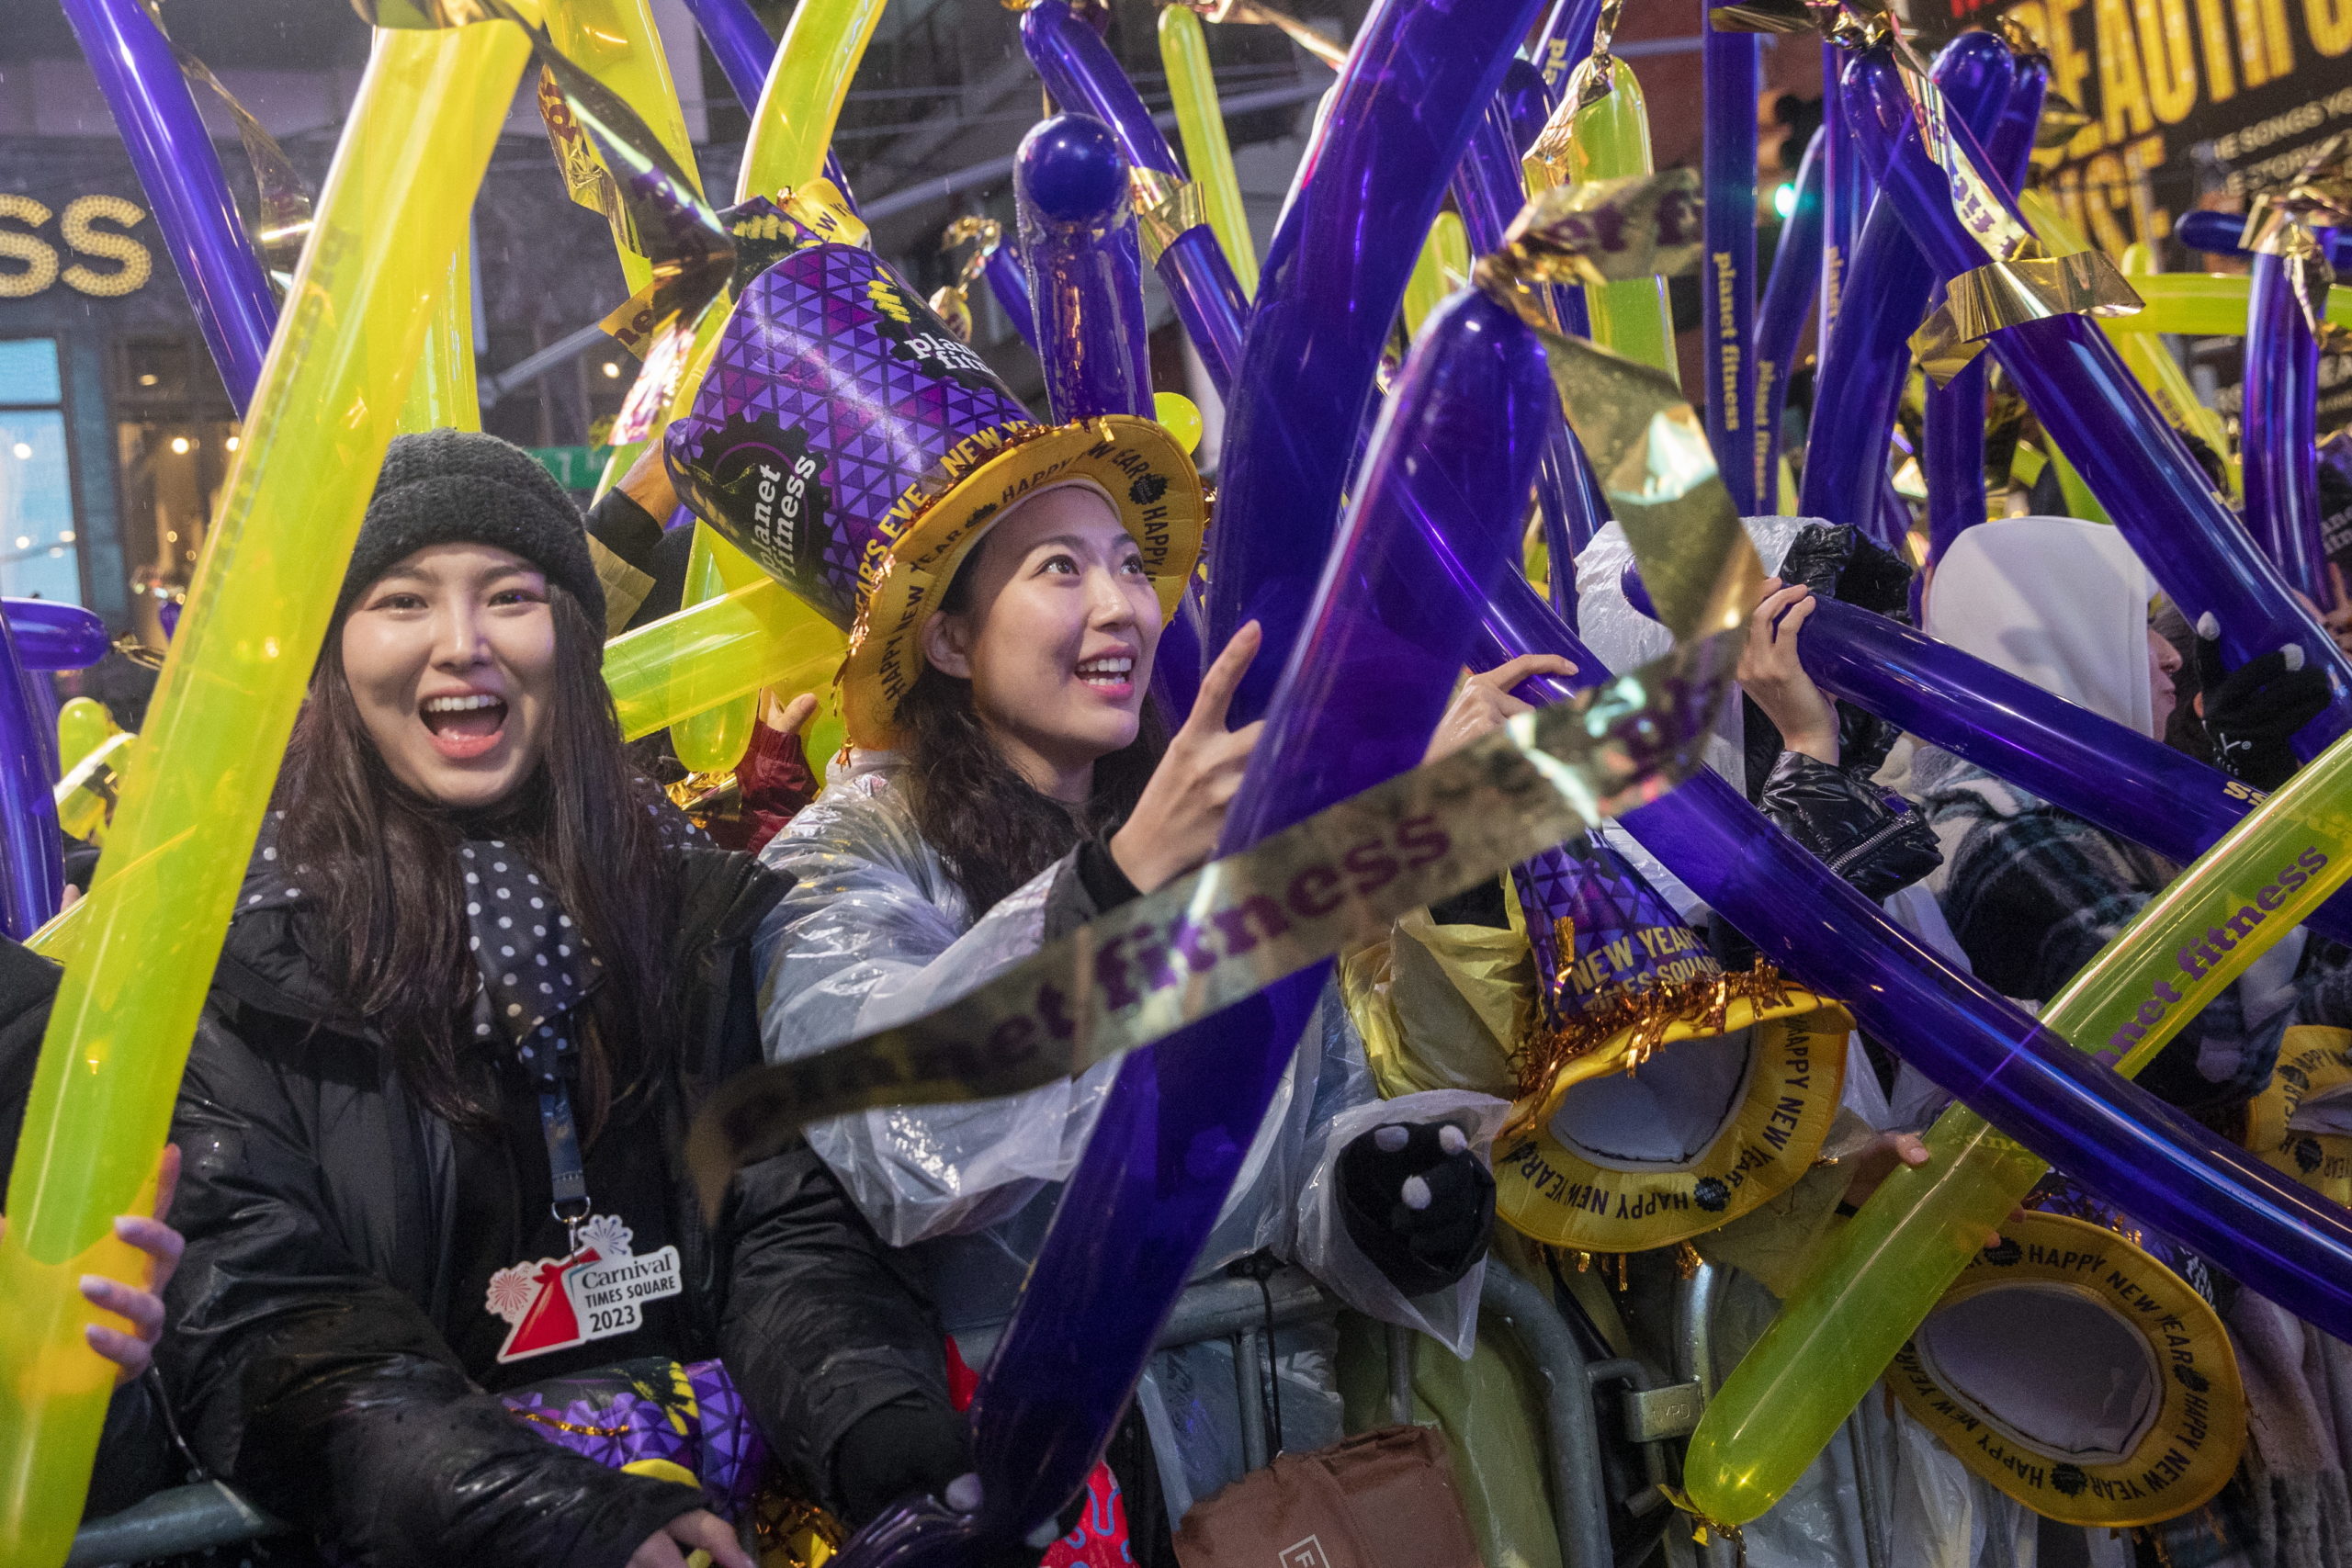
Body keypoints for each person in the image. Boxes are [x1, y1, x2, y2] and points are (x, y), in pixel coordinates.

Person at [160, 431, 967, 1568]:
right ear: (334, 652)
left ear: (573, 640)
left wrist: (876, 1428)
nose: (462, 643)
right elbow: (274, 1329)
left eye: (510, 595)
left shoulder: (682, 902)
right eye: (402, 600)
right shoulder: (248, 963)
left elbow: (781, 1218)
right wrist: (550, 1520)